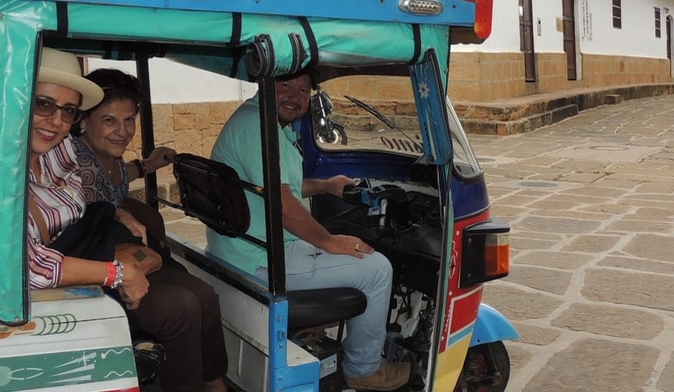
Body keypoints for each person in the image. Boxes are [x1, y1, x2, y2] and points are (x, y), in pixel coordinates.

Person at [26, 48, 227, 392]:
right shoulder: (5, 174)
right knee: (181, 307)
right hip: (57, 291)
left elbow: (106, 189)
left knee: (204, 293)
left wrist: (136, 183)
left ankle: (214, 382)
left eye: (68, 111)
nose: (56, 121)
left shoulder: (57, 154)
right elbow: (26, 266)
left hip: (94, 258)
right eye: (44, 104)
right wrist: (117, 272)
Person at [205, 70, 410, 392]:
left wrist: (326, 186)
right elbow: (284, 207)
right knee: (378, 269)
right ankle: (364, 369)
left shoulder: (260, 122)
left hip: (247, 248)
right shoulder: (258, 129)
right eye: (285, 86)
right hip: (260, 258)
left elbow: (280, 186)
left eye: (303, 90)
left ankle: (318, 339)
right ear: (265, 86)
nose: (295, 97)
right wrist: (329, 242)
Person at [72, 68, 177, 246]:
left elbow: (115, 175)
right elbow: (96, 213)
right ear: (83, 120)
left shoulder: (105, 151)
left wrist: (150, 164)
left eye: (129, 119)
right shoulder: (80, 164)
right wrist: (120, 213)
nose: (123, 132)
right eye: (109, 120)